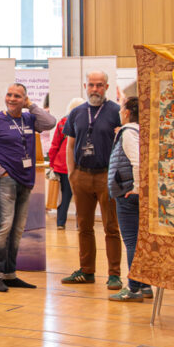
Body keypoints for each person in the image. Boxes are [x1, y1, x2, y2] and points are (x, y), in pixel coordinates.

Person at [0, 82, 56, 293]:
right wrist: (0, 171)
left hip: (26, 179)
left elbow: (50, 122)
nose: (12, 99)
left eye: (17, 96)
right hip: (4, 179)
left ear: (24, 99)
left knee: (18, 228)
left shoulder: (29, 118)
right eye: (9, 94)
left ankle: (10, 274)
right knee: (4, 225)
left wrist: (31, 106)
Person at [59, 70, 123, 289]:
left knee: (111, 227)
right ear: (85, 86)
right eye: (92, 85)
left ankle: (114, 274)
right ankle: (86, 271)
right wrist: (72, 174)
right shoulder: (76, 113)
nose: (95, 89)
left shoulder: (116, 111)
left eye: (99, 85)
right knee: (84, 226)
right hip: (82, 175)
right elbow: (70, 145)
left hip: (107, 175)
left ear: (106, 87)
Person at [109, 97, 151, 303]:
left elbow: (137, 162)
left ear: (126, 113)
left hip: (128, 193)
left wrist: (136, 188)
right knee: (140, 242)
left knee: (132, 241)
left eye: (121, 109)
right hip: (135, 192)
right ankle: (144, 285)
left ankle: (133, 288)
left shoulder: (128, 133)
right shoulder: (141, 131)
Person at [47, 112, 72, 230]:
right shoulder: (86, 121)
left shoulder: (63, 123)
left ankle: (60, 222)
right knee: (82, 197)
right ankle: (81, 224)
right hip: (79, 165)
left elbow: (55, 145)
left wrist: (52, 164)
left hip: (63, 164)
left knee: (65, 195)